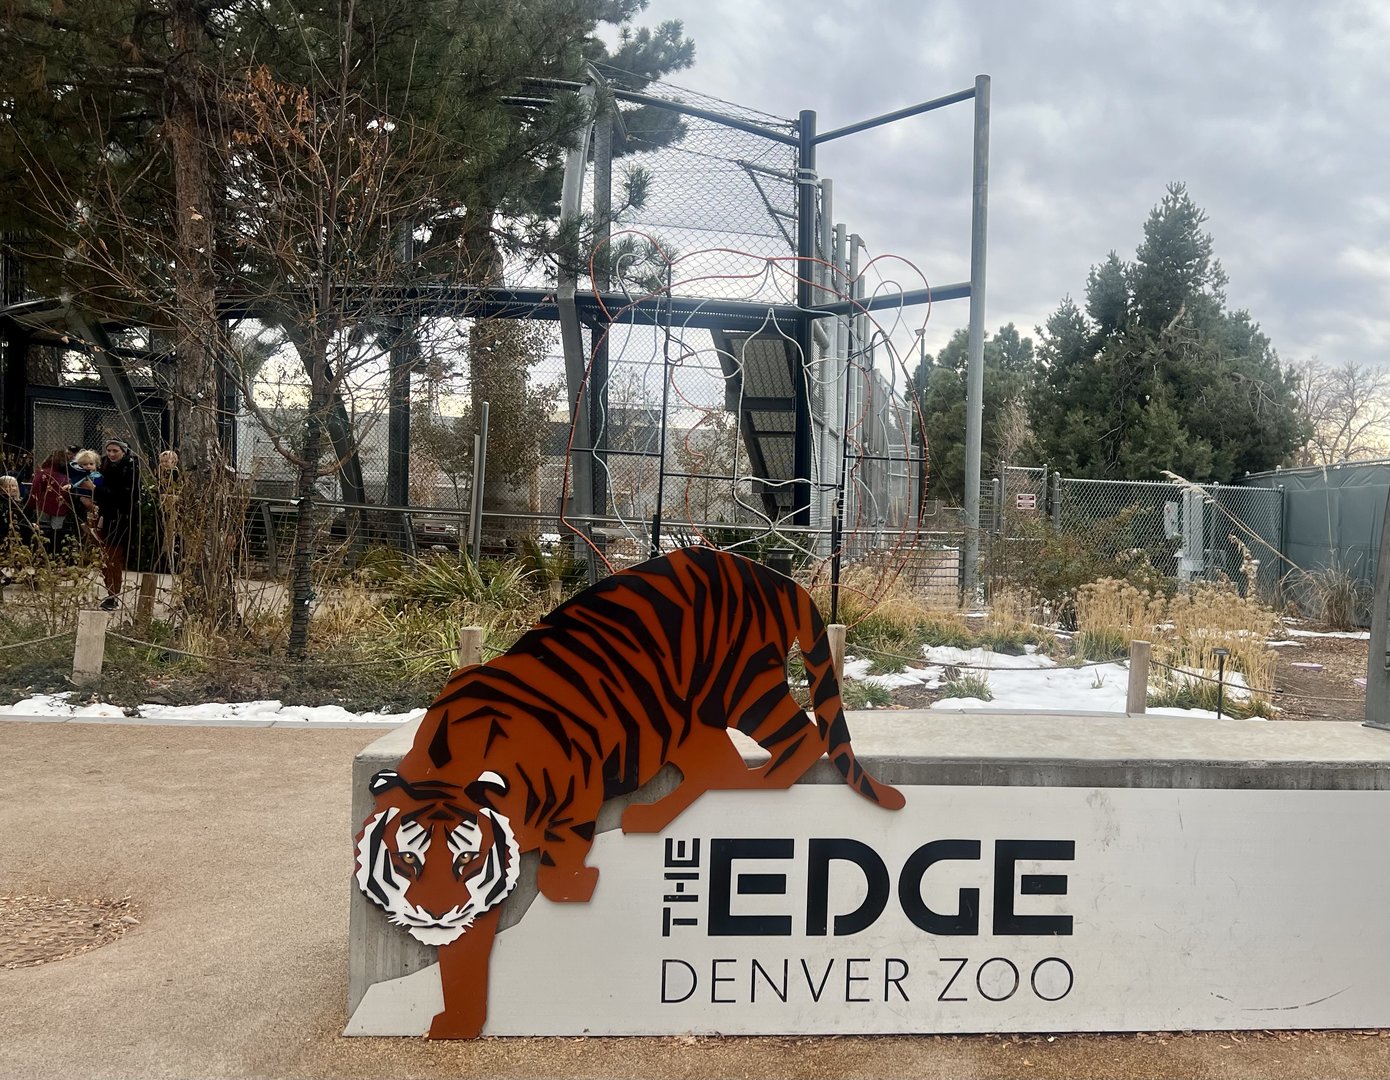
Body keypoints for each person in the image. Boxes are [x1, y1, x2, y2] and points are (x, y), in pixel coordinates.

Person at [92, 439, 141, 610]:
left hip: (121, 517)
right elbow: (99, 489)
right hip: (106, 514)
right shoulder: (104, 465)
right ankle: (110, 591)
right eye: (109, 451)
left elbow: (125, 495)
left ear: (123, 452)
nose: (111, 454)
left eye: (115, 451)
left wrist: (98, 489)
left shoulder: (130, 468)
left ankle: (113, 594)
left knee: (113, 557)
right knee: (104, 557)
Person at [24, 449, 71, 555]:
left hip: (43, 506)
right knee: (57, 530)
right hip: (61, 507)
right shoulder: (66, 476)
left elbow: (35, 489)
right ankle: (55, 553)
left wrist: (30, 505)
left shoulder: (44, 473)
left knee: (41, 528)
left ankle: (40, 552)